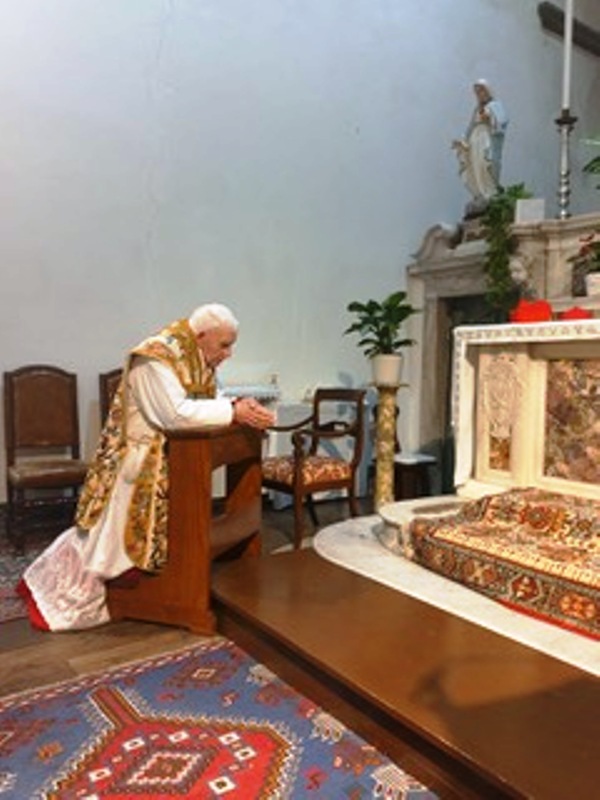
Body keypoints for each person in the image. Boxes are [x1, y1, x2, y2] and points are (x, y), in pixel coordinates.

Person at [18, 303, 275, 631]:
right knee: (110, 544)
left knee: (157, 536)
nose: (229, 353)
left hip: (174, 459)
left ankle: (174, 582)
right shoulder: (155, 357)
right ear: (201, 335)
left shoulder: (198, 356)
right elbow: (173, 414)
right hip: (138, 463)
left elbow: (208, 398)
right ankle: (116, 591)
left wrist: (238, 406)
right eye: (224, 345)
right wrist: (232, 411)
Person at [452, 79, 509, 214]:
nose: (479, 95)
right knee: (475, 165)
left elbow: (502, 122)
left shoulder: (495, 106)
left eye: (481, 91)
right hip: (475, 140)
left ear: (488, 91)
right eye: (477, 92)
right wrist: (463, 142)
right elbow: (471, 127)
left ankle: (489, 192)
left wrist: (490, 118)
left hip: (486, 138)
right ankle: (480, 193)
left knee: (485, 163)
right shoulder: (477, 109)